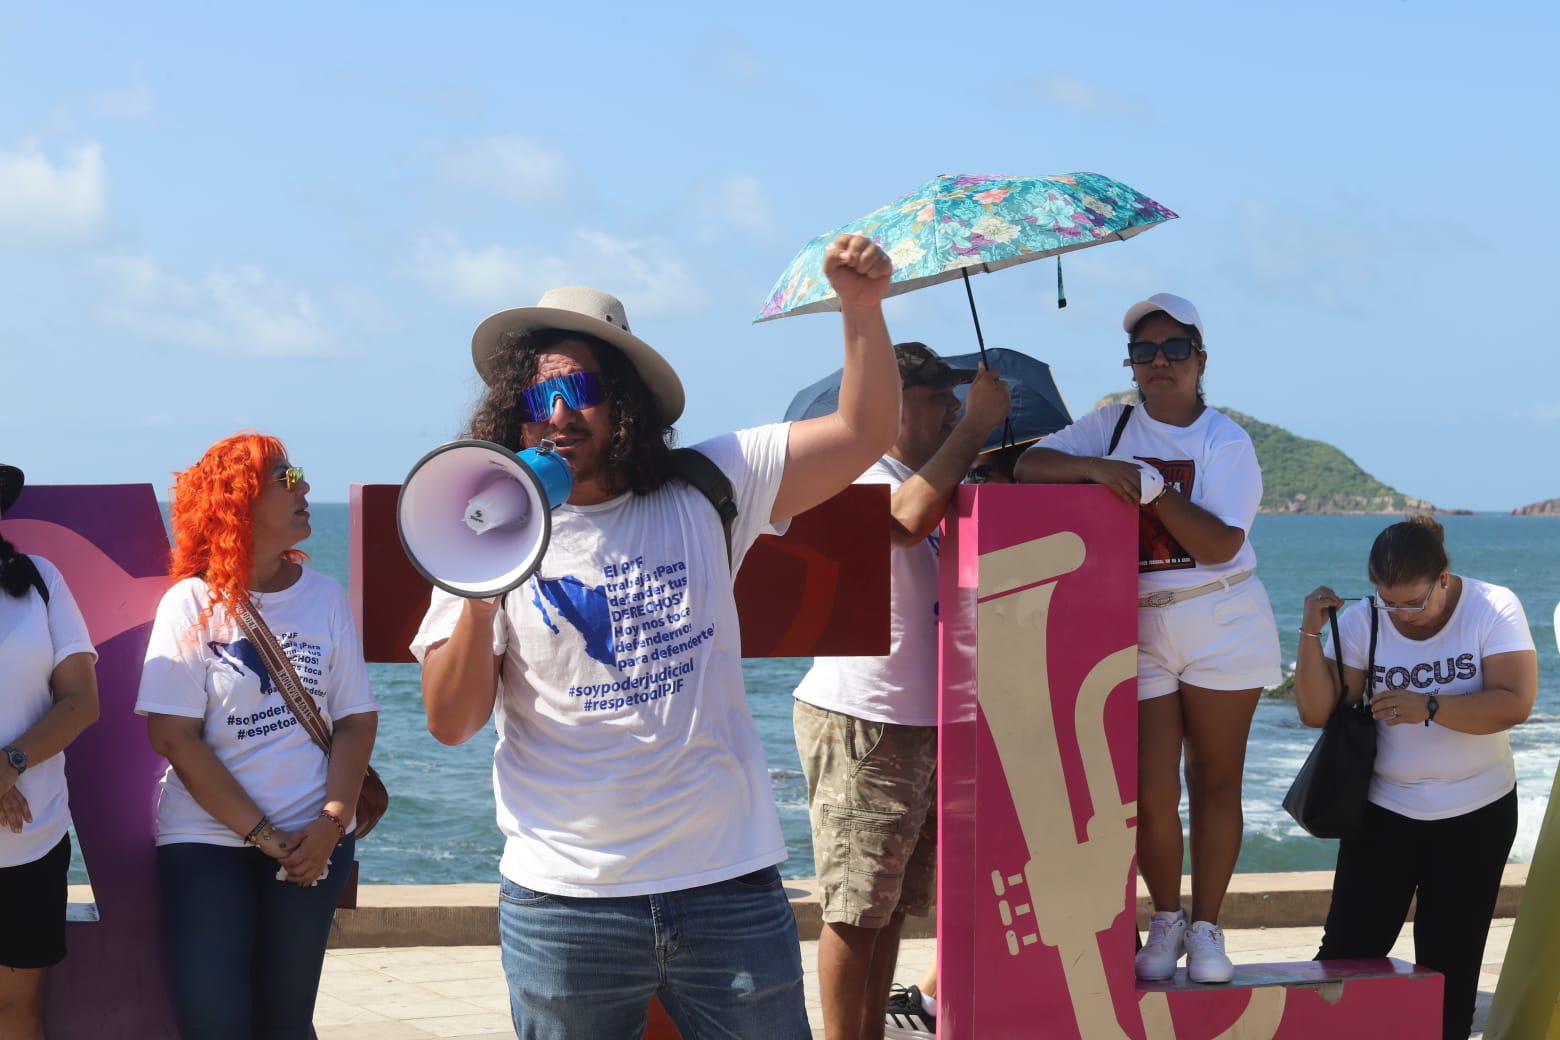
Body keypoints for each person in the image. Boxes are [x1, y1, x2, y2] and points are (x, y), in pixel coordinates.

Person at [412, 234, 898, 1039]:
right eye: (540, 395)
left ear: (626, 400)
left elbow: (862, 430)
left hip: (727, 889)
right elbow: (451, 723)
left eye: (583, 389)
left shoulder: (709, 486)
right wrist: (477, 597)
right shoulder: (481, 530)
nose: (560, 413)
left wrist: (860, 310)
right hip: (564, 906)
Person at [1014, 292, 1281, 984]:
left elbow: (1221, 544)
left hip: (1221, 615)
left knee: (1215, 783)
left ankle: (1210, 927)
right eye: (1144, 351)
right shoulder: (1110, 424)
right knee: (1151, 790)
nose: (1158, 362)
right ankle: (1165, 918)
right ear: (1130, 362)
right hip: (1135, 621)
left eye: (1173, 350)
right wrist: (1100, 468)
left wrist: (1156, 490)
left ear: (1201, 361)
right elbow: (1026, 469)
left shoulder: (1226, 440)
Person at [791, 342, 1010, 1040]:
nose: (949, 409)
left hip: (915, 721)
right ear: (889, 406)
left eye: (954, 399)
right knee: (855, 908)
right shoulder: (857, 472)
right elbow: (906, 522)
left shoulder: (923, 475)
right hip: (864, 716)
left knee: (887, 909)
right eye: (935, 399)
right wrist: (976, 426)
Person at [136, 434, 379, 1040]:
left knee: (286, 1021)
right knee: (212, 1017)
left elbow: (354, 718)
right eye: (285, 476)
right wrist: (263, 835)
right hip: (205, 841)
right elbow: (174, 738)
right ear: (235, 501)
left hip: (314, 839)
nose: (305, 489)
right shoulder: (190, 603)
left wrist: (329, 823)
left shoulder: (323, 597)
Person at [1297, 516, 1536, 1040]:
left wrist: (1427, 705)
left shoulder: (1492, 607)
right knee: (1346, 956)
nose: (1401, 615)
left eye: (1414, 602)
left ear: (1444, 579)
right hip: (1385, 813)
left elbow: (1514, 702)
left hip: (1478, 812)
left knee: (1451, 968)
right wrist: (1312, 632)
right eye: (1388, 601)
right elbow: (1317, 711)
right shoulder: (1365, 621)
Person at [0, 464, 100, 1040]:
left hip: (29, 843)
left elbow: (81, 701)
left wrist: (7, 764)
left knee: (16, 1015)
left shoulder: (40, 581)